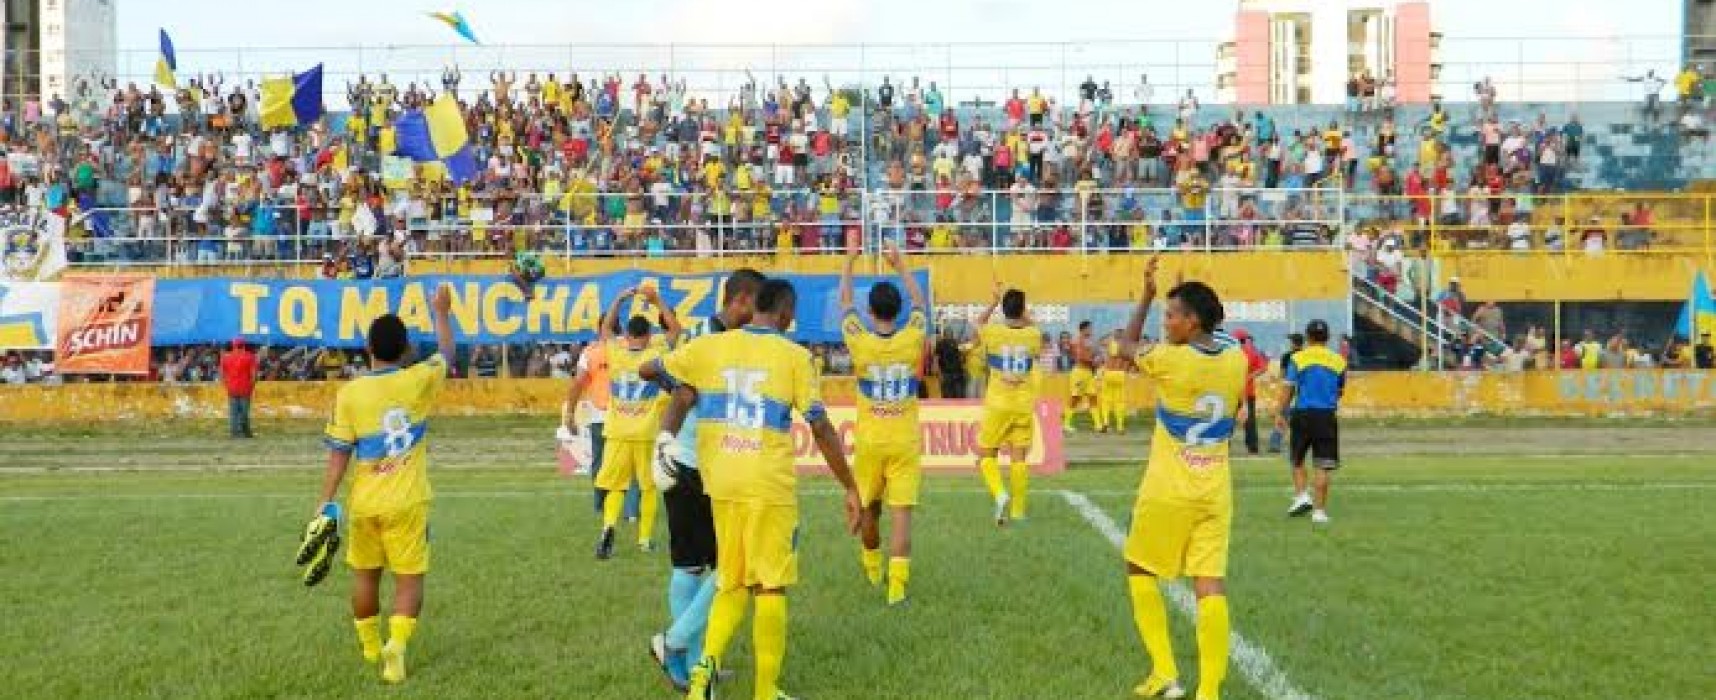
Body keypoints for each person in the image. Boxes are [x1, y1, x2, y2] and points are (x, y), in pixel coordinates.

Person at [642, 279, 863, 700]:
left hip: (720, 479)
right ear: (784, 314)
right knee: (771, 587)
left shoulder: (711, 346)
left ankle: (701, 678)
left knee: (731, 581)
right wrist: (849, 486)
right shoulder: (795, 357)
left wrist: (673, 424)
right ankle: (766, 691)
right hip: (766, 484)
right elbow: (818, 425)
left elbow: (650, 369)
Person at [1117, 256, 1247, 700]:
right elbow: (1219, 336)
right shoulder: (1235, 358)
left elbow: (1126, 345)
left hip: (1169, 489)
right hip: (1216, 489)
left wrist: (1147, 295)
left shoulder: (1171, 362)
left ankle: (1165, 673)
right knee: (1209, 584)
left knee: (1138, 567)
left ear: (1191, 322)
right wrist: (1178, 296)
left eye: (1171, 315)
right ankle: (1209, 691)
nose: (1165, 322)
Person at [314, 283, 456, 684]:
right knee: (409, 581)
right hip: (408, 501)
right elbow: (447, 355)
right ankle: (396, 645)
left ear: (368, 348)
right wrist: (441, 313)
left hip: (365, 502)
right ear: (406, 347)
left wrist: (325, 500)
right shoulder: (417, 380)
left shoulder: (351, 393)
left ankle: (370, 648)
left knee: (364, 577)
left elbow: (339, 452)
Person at [641, 268, 766, 692]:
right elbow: (670, 384)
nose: (759, 313)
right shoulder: (703, 338)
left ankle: (695, 665)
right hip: (691, 465)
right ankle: (680, 648)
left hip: (712, 464)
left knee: (705, 565)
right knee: (721, 565)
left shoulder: (726, 340)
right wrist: (665, 440)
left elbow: (662, 374)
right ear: (741, 300)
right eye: (757, 304)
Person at [841, 243, 929, 606]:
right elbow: (921, 305)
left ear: (871, 310)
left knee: (868, 511)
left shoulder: (859, 341)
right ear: (897, 310)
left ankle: (872, 565)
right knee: (902, 517)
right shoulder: (913, 337)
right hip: (904, 441)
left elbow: (844, 302)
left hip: (870, 443)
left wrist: (849, 258)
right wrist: (901, 264)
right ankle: (897, 589)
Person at [592, 285, 682, 559]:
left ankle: (608, 527)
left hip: (618, 430)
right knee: (649, 487)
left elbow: (605, 330)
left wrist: (619, 297)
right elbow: (675, 331)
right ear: (647, 336)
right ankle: (644, 540)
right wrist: (656, 301)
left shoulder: (616, 351)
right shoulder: (653, 354)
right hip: (645, 432)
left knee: (616, 485)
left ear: (628, 334)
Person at [973, 284, 1044, 526]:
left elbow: (978, 322)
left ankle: (1000, 493)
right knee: (1019, 457)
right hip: (1023, 404)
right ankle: (1018, 512)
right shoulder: (1033, 335)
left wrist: (993, 302)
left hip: (998, 404)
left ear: (1003, 310)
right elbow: (1035, 329)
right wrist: (1026, 316)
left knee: (985, 455)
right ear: (1023, 309)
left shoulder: (993, 332)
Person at [1277, 319, 1348, 524]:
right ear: (1327, 338)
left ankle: (1301, 496)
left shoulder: (1298, 358)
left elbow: (1288, 388)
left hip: (1303, 414)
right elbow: (1340, 391)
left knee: (1297, 458)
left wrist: (1280, 413)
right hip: (1326, 416)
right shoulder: (1339, 361)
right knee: (1323, 465)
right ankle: (1319, 512)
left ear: (1308, 337)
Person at [1233, 329, 1268, 455]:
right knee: (1250, 422)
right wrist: (1250, 376)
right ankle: (1253, 448)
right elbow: (1263, 368)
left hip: (1232, 392)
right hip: (1248, 393)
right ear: (1246, 339)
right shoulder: (1252, 351)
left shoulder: (1230, 353)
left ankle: (1224, 446)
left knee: (1227, 420)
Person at [1065, 320, 1102, 433]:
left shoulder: (1089, 341)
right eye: (1090, 328)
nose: (1091, 330)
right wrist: (1094, 361)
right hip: (1079, 373)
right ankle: (1066, 424)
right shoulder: (1078, 341)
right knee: (1075, 398)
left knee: (1093, 396)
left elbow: (1088, 355)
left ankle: (1098, 425)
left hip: (1088, 372)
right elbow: (1081, 357)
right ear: (1084, 329)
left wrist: (1096, 359)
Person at [220, 338, 258, 438]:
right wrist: (251, 387)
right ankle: (246, 432)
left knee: (233, 413)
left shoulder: (225, 358)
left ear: (233, 345)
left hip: (232, 388)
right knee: (244, 412)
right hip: (245, 388)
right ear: (244, 345)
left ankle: (234, 433)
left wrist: (227, 386)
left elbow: (222, 375)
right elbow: (254, 375)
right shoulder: (250, 357)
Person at [1097, 330, 1133, 435]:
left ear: (1115, 336)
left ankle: (1106, 423)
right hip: (1120, 374)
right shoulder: (1126, 346)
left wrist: (1109, 336)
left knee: (1106, 400)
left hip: (1109, 373)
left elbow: (1100, 341)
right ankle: (1120, 427)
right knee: (1120, 402)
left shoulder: (1110, 343)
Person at [934, 326, 966, 399]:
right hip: (948, 373)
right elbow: (936, 359)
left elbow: (962, 358)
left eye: (950, 333)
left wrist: (963, 354)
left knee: (956, 396)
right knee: (950, 396)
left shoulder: (956, 343)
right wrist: (939, 373)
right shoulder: (940, 344)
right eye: (948, 333)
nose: (949, 335)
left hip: (956, 373)